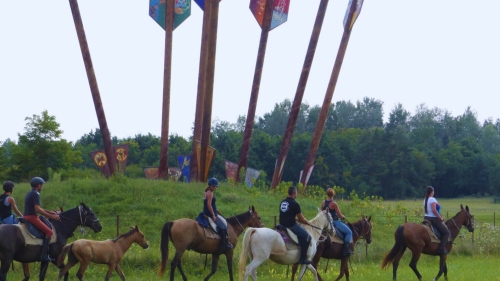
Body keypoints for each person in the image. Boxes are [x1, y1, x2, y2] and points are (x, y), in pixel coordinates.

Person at [23, 177, 60, 262]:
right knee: (49, 232)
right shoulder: (36, 194)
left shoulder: (30, 192)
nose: (42, 186)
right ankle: (43, 255)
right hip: (32, 217)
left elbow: (38, 207)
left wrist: (49, 212)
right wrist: (52, 216)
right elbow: (37, 209)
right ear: (38, 185)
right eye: (42, 185)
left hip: (26, 216)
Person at [279, 186, 312, 264]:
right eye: (296, 193)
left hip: (281, 224)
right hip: (291, 226)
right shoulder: (295, 204)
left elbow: (287, 215)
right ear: (294, 193)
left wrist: (297, 219)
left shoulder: (283, 202)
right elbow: (301, 218)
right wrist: (306, 222)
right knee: (308, 237)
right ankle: (302, 258)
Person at [321, 188, 353, 257]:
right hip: (334, 222)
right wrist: (343, 216)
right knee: (349, 233)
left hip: (325, 223)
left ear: (327, 194)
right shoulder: (334, 204)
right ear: (333, 195)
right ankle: (346, 250)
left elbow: (321, 213)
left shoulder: (323, 202)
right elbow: (339, 215)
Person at [203, 178, 232, 253]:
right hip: (210, 214)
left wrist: (215, 209)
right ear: (210, 185)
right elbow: (209, 205)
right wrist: (213, 215)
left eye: (215, 186)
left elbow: (209, 205)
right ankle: (223, 246)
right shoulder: (210, 193)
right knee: (223, 227)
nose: (214, 187)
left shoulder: (206, 192)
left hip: (206, 212)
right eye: (213, 186)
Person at [424, 186, 450, 255]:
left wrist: (440, 216)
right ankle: (441, 248)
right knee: (446, 233)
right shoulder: (432, 199)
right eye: (433, 191)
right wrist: (440, 218)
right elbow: (434, 211)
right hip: (433, 219)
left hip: (426, 218)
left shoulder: (425, 199)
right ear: (432, 192)